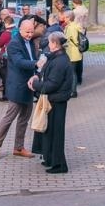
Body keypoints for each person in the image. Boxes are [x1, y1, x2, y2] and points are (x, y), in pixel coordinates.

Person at [0, 17, 39, 161]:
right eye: (27, 32)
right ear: (20, 30)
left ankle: (18, 147)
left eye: (31, 31)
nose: (30, 34)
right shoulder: (14, 44)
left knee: (24, 118)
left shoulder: (31, 42)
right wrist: (37, 64)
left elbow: (31, 58)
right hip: (17, 86)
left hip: (29, 85)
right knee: (9, 118)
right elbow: (19, 62)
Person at [29, 31, 72, 173]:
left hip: (57, 101)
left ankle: (59, 164)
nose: (48, 44)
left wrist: (35, 85)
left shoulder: (60, 61)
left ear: (54, 44)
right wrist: (36, 76)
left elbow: (52, 84)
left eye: (49, 41)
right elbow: (44, 73)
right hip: (53, 99)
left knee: (55, 132)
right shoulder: (56, 57)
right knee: (48, 131)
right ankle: (49, 158)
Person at [63, 10, 82, 96]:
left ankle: (73, 91)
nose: (64, 19)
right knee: (73, 72)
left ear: (69, 18)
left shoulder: (71, 27)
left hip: (72, 53)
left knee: (72, 72)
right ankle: (72, 90)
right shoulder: (75, 26)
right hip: (75, 52)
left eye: (65, 17)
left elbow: (70, 39)